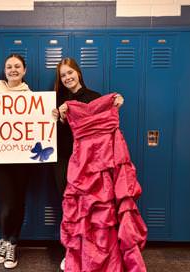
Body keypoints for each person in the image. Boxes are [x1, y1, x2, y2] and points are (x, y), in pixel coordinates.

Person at [54, 58, 147, 271]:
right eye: (63, 75)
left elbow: (107, 128)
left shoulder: (96, 98)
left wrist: (116, 104)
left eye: (70, 73)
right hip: (70, 162)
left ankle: (100, 252)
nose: (68, 77)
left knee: (99, 211)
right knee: (77, 211)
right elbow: (53, 139)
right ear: (60, 80)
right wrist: (60, 118)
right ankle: (75, 252)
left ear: (78, 73)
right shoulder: (58, 102)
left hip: (96, 163)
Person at [0, 54, 32, 269]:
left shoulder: (31, 96)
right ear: (4, 70)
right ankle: (4, 239)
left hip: (23, 160)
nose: (13, 70)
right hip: (0, 159)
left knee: (19, 201)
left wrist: (51, 115)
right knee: (7, 204)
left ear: (24, 71)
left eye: (17, 67)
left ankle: (13, 243)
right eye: (9, 67)